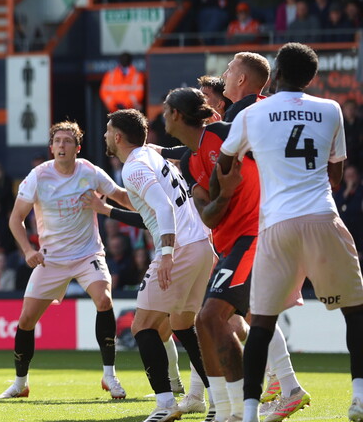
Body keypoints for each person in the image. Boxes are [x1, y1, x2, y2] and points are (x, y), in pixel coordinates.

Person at [217, 43, 363, 422]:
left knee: (261, 323)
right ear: (312, 78)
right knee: (356, 312)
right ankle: (359, 398)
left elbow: (226, 161)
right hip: (322, 217)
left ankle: (249, 412)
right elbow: (335, 174)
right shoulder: (330, 110)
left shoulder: (251, 113)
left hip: (276, 225)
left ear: (276, 73)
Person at [160, 87, 305, 422]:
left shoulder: (224, 134)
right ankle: (227, 411)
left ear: (177, 115)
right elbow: (208, 215)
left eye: (166, 110)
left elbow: (272, 151)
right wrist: (223, 194)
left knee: (211, 318)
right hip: (227, 246)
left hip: (256, 235)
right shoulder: (188, 161)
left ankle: (240, 412)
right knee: (204, 322)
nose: (162, 116)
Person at [0, 121, 130, 400]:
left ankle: (110, 376)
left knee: (104, 300)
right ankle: (20, 383)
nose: (61, 145)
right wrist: (27, 251)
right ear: (51, 148)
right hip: (51, 260)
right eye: (57, 141)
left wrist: (149, 206)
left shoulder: (90, 171)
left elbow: (120, 196)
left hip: (87, 254)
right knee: (25, 321)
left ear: (77, 148)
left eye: (67, 141)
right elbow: (15, 219)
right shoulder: (38, 176)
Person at [103, 109, 216, 422]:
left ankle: (165, 403)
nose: (105, 136)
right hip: (199, 245)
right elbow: (156, 207)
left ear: (117, 136)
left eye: (107, 131)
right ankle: (220, 400)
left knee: (142, 327)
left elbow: (164, 208)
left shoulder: (134, 166)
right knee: (182, 325)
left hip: (179, 249)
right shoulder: (155, 158)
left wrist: (165, 253)